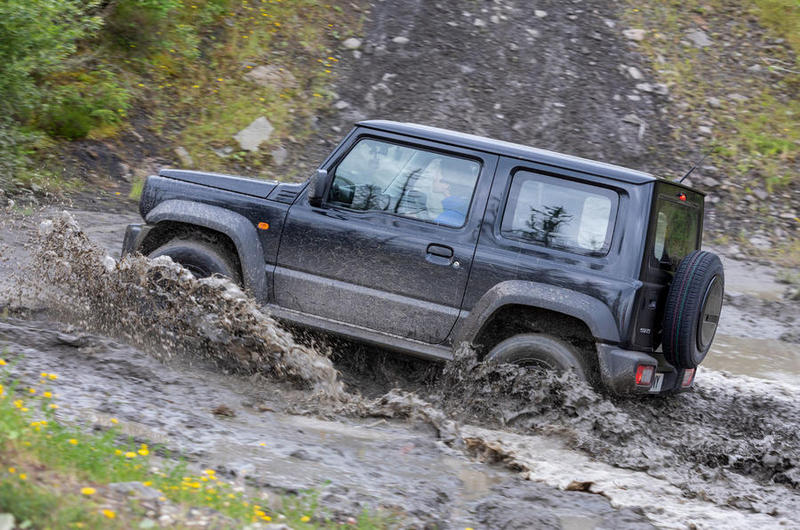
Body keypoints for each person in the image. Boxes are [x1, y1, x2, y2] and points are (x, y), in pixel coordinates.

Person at [430, 157, 473, 227]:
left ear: (446, 183)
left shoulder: (448, 218)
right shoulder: (466, 207)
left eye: (438, 172)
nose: (433, 176)